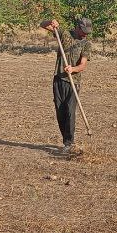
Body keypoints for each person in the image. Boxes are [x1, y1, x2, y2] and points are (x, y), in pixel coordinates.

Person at [41, 16, 92, 155]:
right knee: (60, 111)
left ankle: (69, 143)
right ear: (78, 27)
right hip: (59, 79)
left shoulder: (86, 43)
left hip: (73, 81)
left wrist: (73, 69)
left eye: (87, 32)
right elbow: (43, 24)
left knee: (70, 112)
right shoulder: (64, 34)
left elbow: (82, 65)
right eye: (83, 31)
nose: (85, 34)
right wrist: (51, 22)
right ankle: (66, 140)